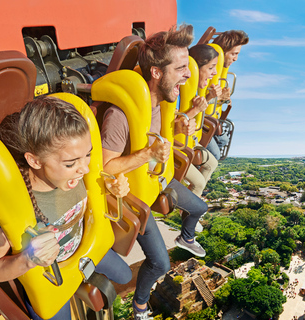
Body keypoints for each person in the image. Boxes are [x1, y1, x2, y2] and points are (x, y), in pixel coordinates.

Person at [0, 96, 132, 320]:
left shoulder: (78, 175)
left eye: (87, 155)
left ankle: (78, 283)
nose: (85, 170)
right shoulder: (1, 203)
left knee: (125, 276)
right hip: (50, 276)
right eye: (71, 163)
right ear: (35, 161)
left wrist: (112, 189)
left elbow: (94, 198)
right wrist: (29, 259)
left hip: (85, 249)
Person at [101, 24, 208, 320]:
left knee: (201, 206)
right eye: (181, 68)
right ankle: (140, 305)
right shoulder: (120, 116)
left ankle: (185, 236)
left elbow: (158, 142)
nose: (188, 75)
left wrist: (180, 126)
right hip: (135, 197)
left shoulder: (162, 105)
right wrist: (146, 154)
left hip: (157, 181)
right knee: (160, 264)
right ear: (157, 73)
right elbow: (105, 167)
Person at [181, 44, 225, 197]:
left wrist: (209, 97)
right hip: (178, 144)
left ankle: (193, 201)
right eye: (211, 68)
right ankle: (191, 209)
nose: (214, 73)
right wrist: (196, 109)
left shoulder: (195, 89)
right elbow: (174, 119)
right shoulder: (180, 90)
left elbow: (198, 110)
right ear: (196, 68)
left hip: (190, 140)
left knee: (212, 162)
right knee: (199, 183)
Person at [205, 30, 249, 160]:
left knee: (223, 140)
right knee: (216, 155)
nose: (235, 59)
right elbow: (197, 99)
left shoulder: (221, 72)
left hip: (211, 118)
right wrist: (218, 98)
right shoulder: (205, 71)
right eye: (234, 54)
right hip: (201, 120)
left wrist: (224, 100)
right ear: (222, 52)